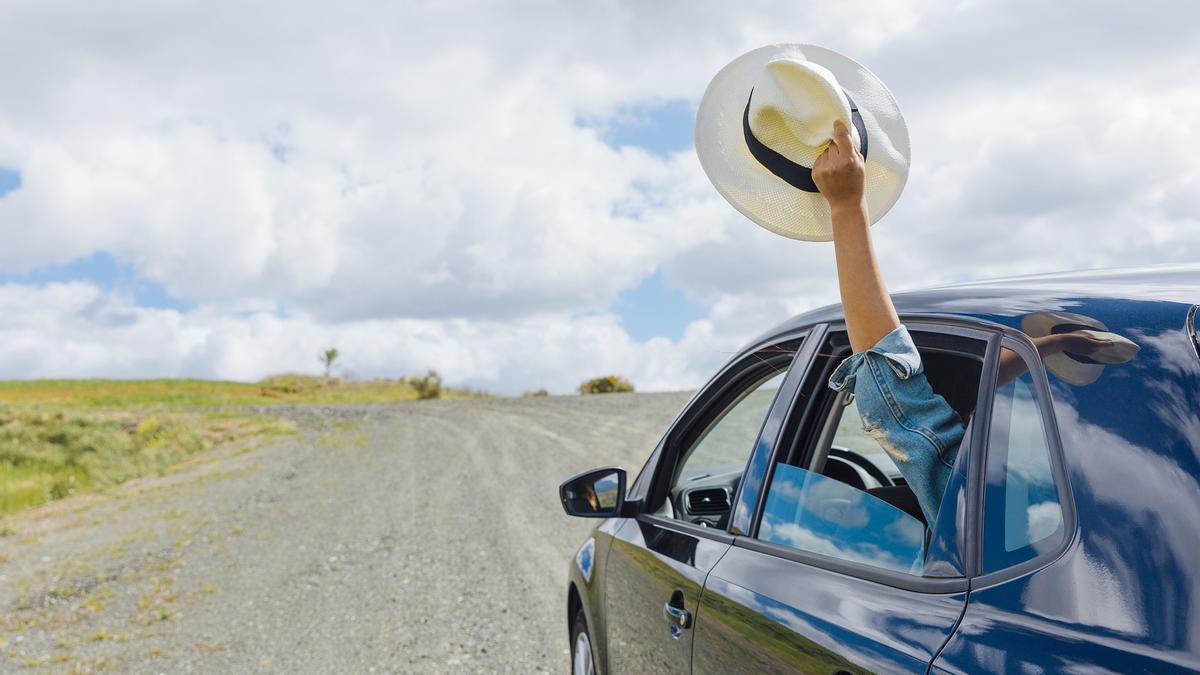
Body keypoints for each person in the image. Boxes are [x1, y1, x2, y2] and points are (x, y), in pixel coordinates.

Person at [811, 120, 1110, 525]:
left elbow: (894, 396)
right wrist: (1054, 343)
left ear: (960, 412)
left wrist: (847, 208)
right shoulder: (1088, 489)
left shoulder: (977, 503)